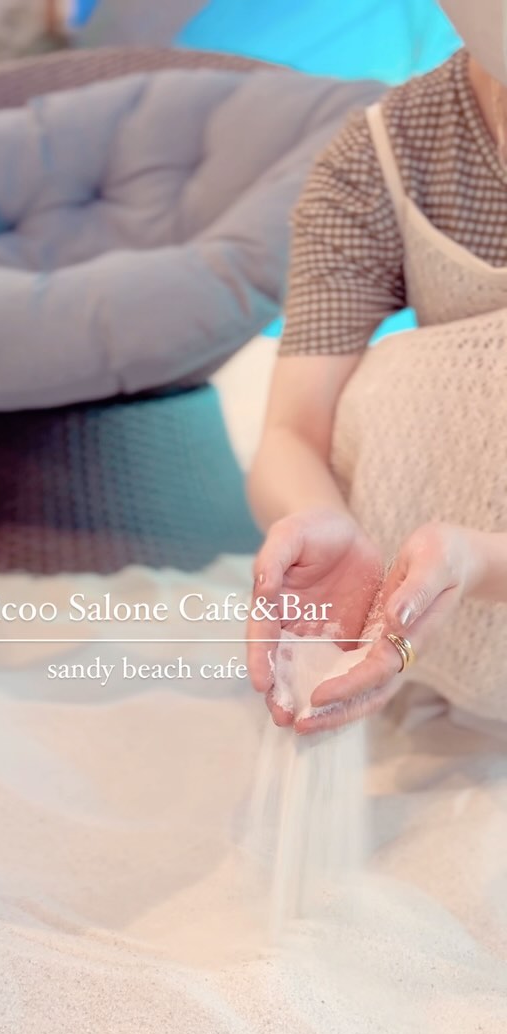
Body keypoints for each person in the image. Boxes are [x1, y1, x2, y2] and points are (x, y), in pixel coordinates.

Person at [247, 0, 507, 735]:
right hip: (454, 625)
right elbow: (291, 434)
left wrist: (481, 561)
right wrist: (321, 524)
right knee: (390, 384)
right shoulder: (383, 156)